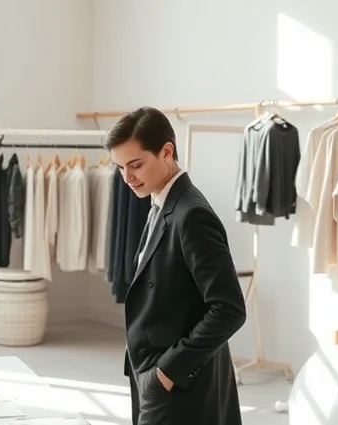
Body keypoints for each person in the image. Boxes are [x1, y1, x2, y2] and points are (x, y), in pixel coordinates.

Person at [104, 107, 247, 425]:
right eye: (120, 168)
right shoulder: (160, 202)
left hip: (179, 385)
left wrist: (167, 372)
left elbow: (229, 309)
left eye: (136, 165)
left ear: (166, 151)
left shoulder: (191, 215)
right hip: (156, 376)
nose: (127, 178)